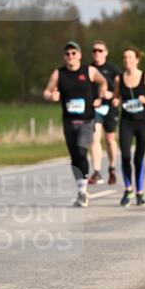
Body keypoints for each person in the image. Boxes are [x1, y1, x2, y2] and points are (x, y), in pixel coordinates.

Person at [43, 41, 108, 207]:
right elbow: (47, 91)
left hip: (87, 120)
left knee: (81, 150)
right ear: (64, 57)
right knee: (74, 157)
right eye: (67, 54)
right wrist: (51, 96)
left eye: (73, 53)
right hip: (69, 121)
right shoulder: (59, 73)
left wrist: (100, 97)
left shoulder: (89, 71)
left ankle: (83, 190)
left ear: (79, 55)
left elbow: (103, 82)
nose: (70, 56)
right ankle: (81, 190)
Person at [112, 47, 145, 207]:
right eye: (125, 58)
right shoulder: (119, 79)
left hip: (142, 122)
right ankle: (128, 189)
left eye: (130, 57)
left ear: (137, 59)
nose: (127, 61)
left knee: (138, 158)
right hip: (126, 122)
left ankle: (140, 192)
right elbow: (117, 97)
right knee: (125, 156)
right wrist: (116, 101)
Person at [88, 41, 121, 185]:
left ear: (106, 52)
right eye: (94, 51)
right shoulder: (89, 69)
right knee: (94, 139)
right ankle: (96, 171)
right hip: (95, 108)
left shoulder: (113, 69)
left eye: (100, 50)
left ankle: (112, 168)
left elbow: (123, 86)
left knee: (109, 139)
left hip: (110, 108)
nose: (97, 53)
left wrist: (116, 97)